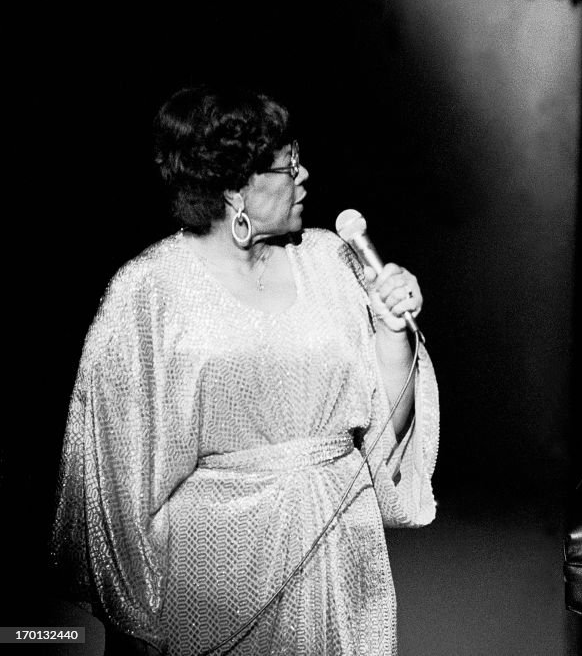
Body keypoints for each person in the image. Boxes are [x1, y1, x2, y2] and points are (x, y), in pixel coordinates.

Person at [50, 86, 439, 655]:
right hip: (216, 566)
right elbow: (113, 474)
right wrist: (137, 618)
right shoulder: (150, 291)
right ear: (235, 186)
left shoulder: (331, 261)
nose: (304, 176)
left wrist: (392, 330)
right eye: (288, 165)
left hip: (336, 546)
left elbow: (386, 429)